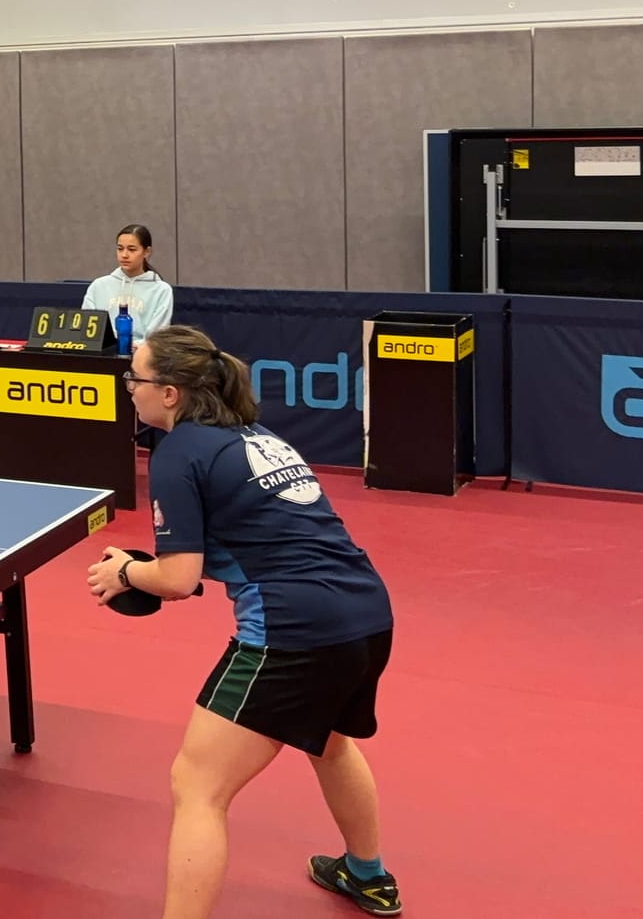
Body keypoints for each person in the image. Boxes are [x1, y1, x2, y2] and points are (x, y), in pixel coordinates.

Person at [87, 325, 398, 919]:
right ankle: (368, 876)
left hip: (292, 632)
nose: (129, 387)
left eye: (137, 377)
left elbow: (178, 579)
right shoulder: (256, 435)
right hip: (367, 613)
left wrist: (126, 573)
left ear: (171, 393)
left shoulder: (177, 453)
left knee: (197, 786)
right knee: (329, 743)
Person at [82, 223, 173, 345]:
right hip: (103, 355)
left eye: (132, 249)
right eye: (120, 249)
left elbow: (157, 336)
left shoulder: (161, 290)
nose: (124, 255)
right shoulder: (98, 286)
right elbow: (87, 329)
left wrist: (135, 346)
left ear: (147, 252)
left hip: (141, 357)